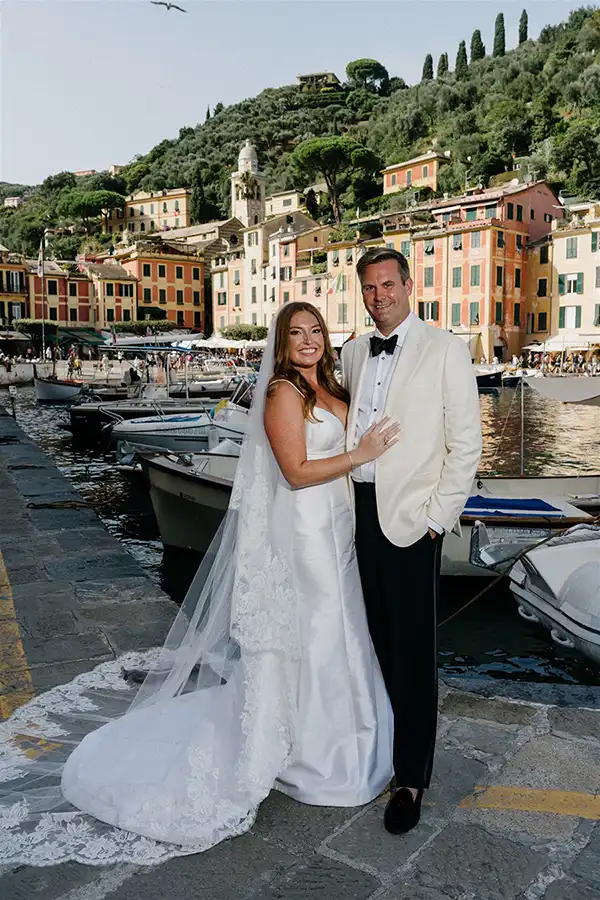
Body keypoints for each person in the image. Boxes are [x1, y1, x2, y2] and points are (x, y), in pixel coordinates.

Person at [0, 302, 398, 866]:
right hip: (307, 533)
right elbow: (295, 471)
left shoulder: (331, 383)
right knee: (321, 635)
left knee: (344, 633)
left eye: (315, 331)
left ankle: (352, 740)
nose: (308, 341)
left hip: (340, 530)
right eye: (296, 334)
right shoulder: (285, 393)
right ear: (281, 345)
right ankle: (317, 754)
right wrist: (361, 452)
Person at [342, 247, 482, 835]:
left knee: (413, 654)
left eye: (387, 285)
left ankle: (411, 779)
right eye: (370, 288)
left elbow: (466, 445)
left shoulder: (445, 349)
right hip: (355, 514)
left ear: (408, 286)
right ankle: (377, 753)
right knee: (370, 641)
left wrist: (436, 520)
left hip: (411, 521)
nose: (379, 296)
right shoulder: (351, 352)